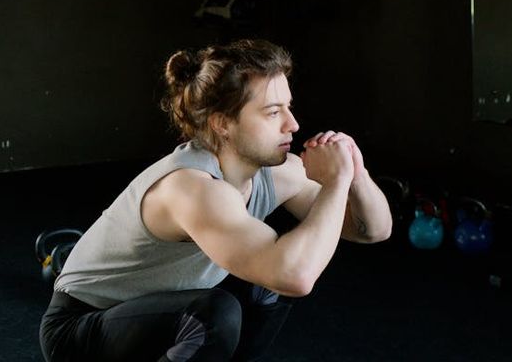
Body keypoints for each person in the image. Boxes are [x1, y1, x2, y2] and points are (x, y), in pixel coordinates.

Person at [39, 39, 392, 361]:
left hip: (156, 316)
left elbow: (372, 230)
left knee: (263, 280)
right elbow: (296, 277)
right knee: (216, 314)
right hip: (80, 331)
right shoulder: (192, 188)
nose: (293, 124)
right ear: (223, 123)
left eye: (288, 107)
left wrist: (355, 175)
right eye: (273, 112)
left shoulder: (276, 172)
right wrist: (336, 183)